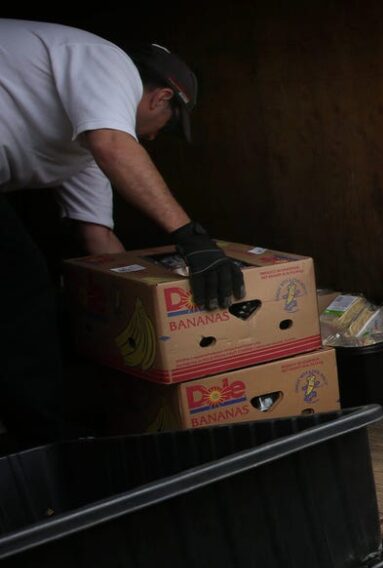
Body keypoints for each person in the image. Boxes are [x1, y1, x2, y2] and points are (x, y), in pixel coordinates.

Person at [0, 18, 245, 449]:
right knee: (20, 290)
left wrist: (151, 315)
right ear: (160, 97)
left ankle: (39, 435)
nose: (150, 139)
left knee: (24, 291)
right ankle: (44, 447)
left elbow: (100, 244)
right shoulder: (108, 61)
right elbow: (117, 145)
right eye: (164, 126)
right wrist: (192, 238)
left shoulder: (81, 149)